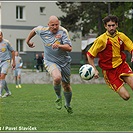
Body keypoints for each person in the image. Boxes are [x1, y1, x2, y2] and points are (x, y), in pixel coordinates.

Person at [26, 15, 73, 114]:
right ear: (48, 25)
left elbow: (69, 48)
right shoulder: (43, 30)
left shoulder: (63, 31)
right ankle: (58, 97)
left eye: (57, 25)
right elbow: (34, 30)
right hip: (50, 61)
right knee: (57, 78)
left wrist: (59, 45)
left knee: (67, 86)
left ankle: (68, 104)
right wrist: (27, 41)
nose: (55, 27)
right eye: (52, 25)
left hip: (64, 62)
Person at [87, 15, 133, 101]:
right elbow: (89, 55)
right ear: (105, 26)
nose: (111, 27)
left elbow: (131, 47)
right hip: (109, 71)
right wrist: (94, 69)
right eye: (109, 25)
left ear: (116, 25)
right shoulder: (101, 40)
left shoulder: (121, 36)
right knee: (126, 96)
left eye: (113, 25)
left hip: (122, 66)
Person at [0, 31, 15, 98]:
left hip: (6, 61)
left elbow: (12, 51)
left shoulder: (6, 42)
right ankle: (8, 92)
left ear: (2, 36)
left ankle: (0, 93)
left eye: (0, 35)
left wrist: (13, 61)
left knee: (2, 76)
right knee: (1, 78)